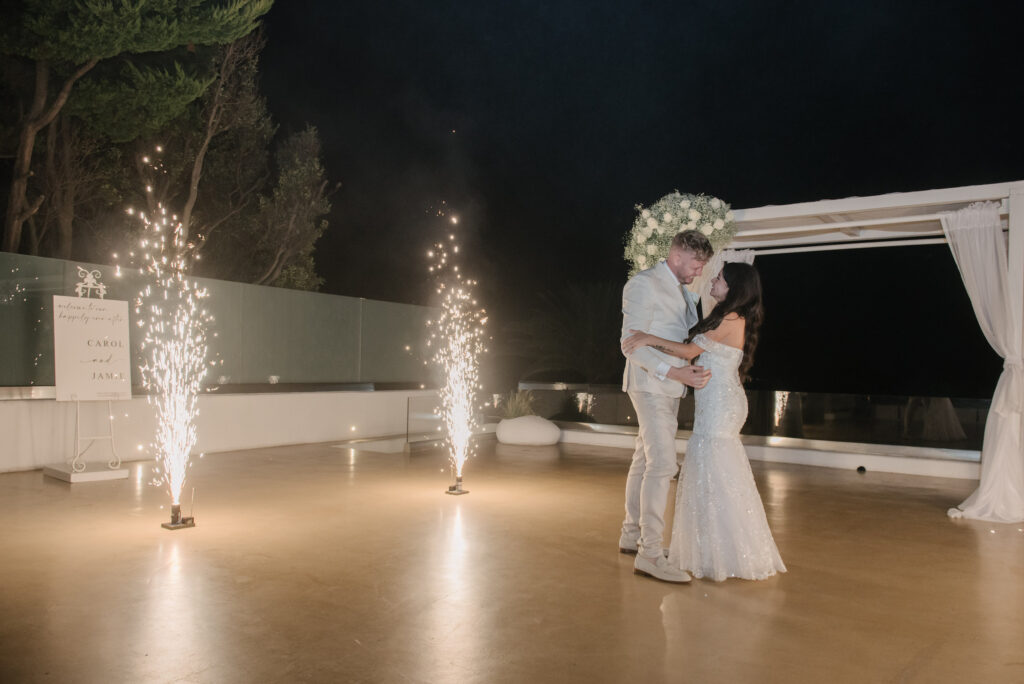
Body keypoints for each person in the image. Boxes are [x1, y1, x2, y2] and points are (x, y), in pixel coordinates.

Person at [623, 262, 786, 581]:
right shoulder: (729, 316)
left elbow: (687, 352)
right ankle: (713, 548)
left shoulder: (731, 317)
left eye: (720, 278)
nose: (713, 280)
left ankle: (724, 552)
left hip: (720, 405)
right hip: (718, 401)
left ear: (734, 287)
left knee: (716, 473)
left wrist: (646, 338)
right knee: (714, 473)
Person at [619, 230, 713, 584]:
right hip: (651, 383)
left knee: (645, 460)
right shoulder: (644, 284)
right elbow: (631, 344)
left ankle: (632, 535)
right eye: (697, 263)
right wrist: (674, 371)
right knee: (662, 465)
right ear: (678, 255)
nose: (699, 271)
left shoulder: (679, 288)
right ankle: (651, 554)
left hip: (667, 386)